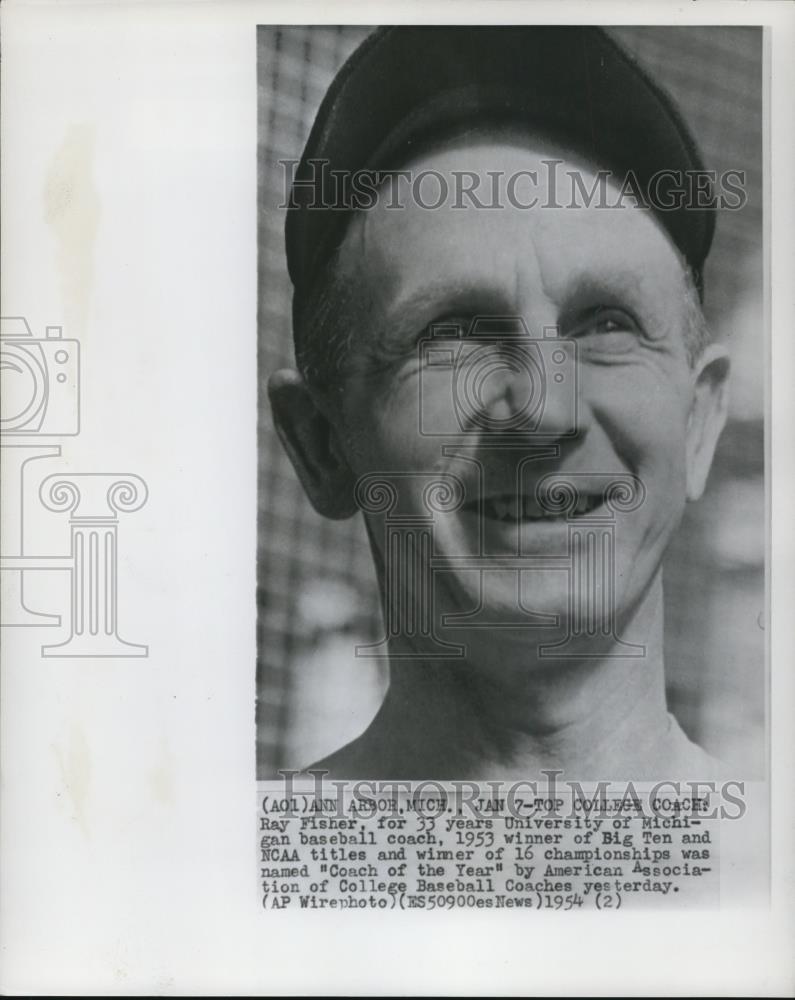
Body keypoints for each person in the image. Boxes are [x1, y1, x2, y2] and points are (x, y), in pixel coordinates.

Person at [267, 26, 731, 780]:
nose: (546, 414)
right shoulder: (224, 879)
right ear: (321, 444)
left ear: (700, 421)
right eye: (451, 334)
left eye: (607, 324)